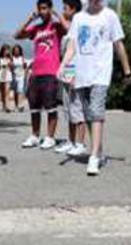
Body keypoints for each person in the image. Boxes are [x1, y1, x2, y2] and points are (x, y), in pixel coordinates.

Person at [59, 0, 131, 176]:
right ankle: (98, 151)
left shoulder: (110, 16)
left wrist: (127, 70)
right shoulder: (79, 18)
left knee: (96, 111)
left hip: (101, 73)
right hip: (83, 74)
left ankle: (93, 158)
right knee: (89, 115)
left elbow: (118, 44)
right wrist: (62, 66)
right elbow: (72, 46)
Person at [15, 0, 66, 151]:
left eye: (45, 8)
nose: (42, 11)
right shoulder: (36, 28)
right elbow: (17, 35)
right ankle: (35, 136)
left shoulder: (56, 27)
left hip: (51, 72)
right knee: (34, 107)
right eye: (40, 9)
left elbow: (69, 28)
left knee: (51, 107)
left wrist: (57, 14)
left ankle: (50, 137)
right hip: (36, 72)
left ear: (50, 9)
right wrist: (30, 19)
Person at [53, 0, 87, 157]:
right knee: (68, 109)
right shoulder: (70, 27)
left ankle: (80, 143)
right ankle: (71, 141)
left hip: (76, 72)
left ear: (73, 10)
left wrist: (76, 75)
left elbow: (79, 53)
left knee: (77, 109)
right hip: (67, 72)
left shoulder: (79, 25)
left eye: (65, 8)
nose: (63, 11)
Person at [10, 45, 27, 112]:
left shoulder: (22, 58)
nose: (16, 51)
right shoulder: (12, 58)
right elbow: (10, 67)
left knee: (20, 90)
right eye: (15, 50)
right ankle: (16, 104)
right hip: (14, 76)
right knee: (15, 91)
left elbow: (24, 66)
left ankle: (21, 105)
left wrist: (25, 71)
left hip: (21, 76)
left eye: (18, 50)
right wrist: (11, 65)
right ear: (13, 51)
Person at [0, 45, 13, 112]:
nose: (6, 51)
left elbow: (12, 67)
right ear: (2, 51)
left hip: (8, 74)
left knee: (7, 91)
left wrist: (10, 60)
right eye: (5, 50)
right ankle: (4, 105)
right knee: (3, 91)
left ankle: (7, 106)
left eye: (7, 50)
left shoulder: (10, 58)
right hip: (1, 74)